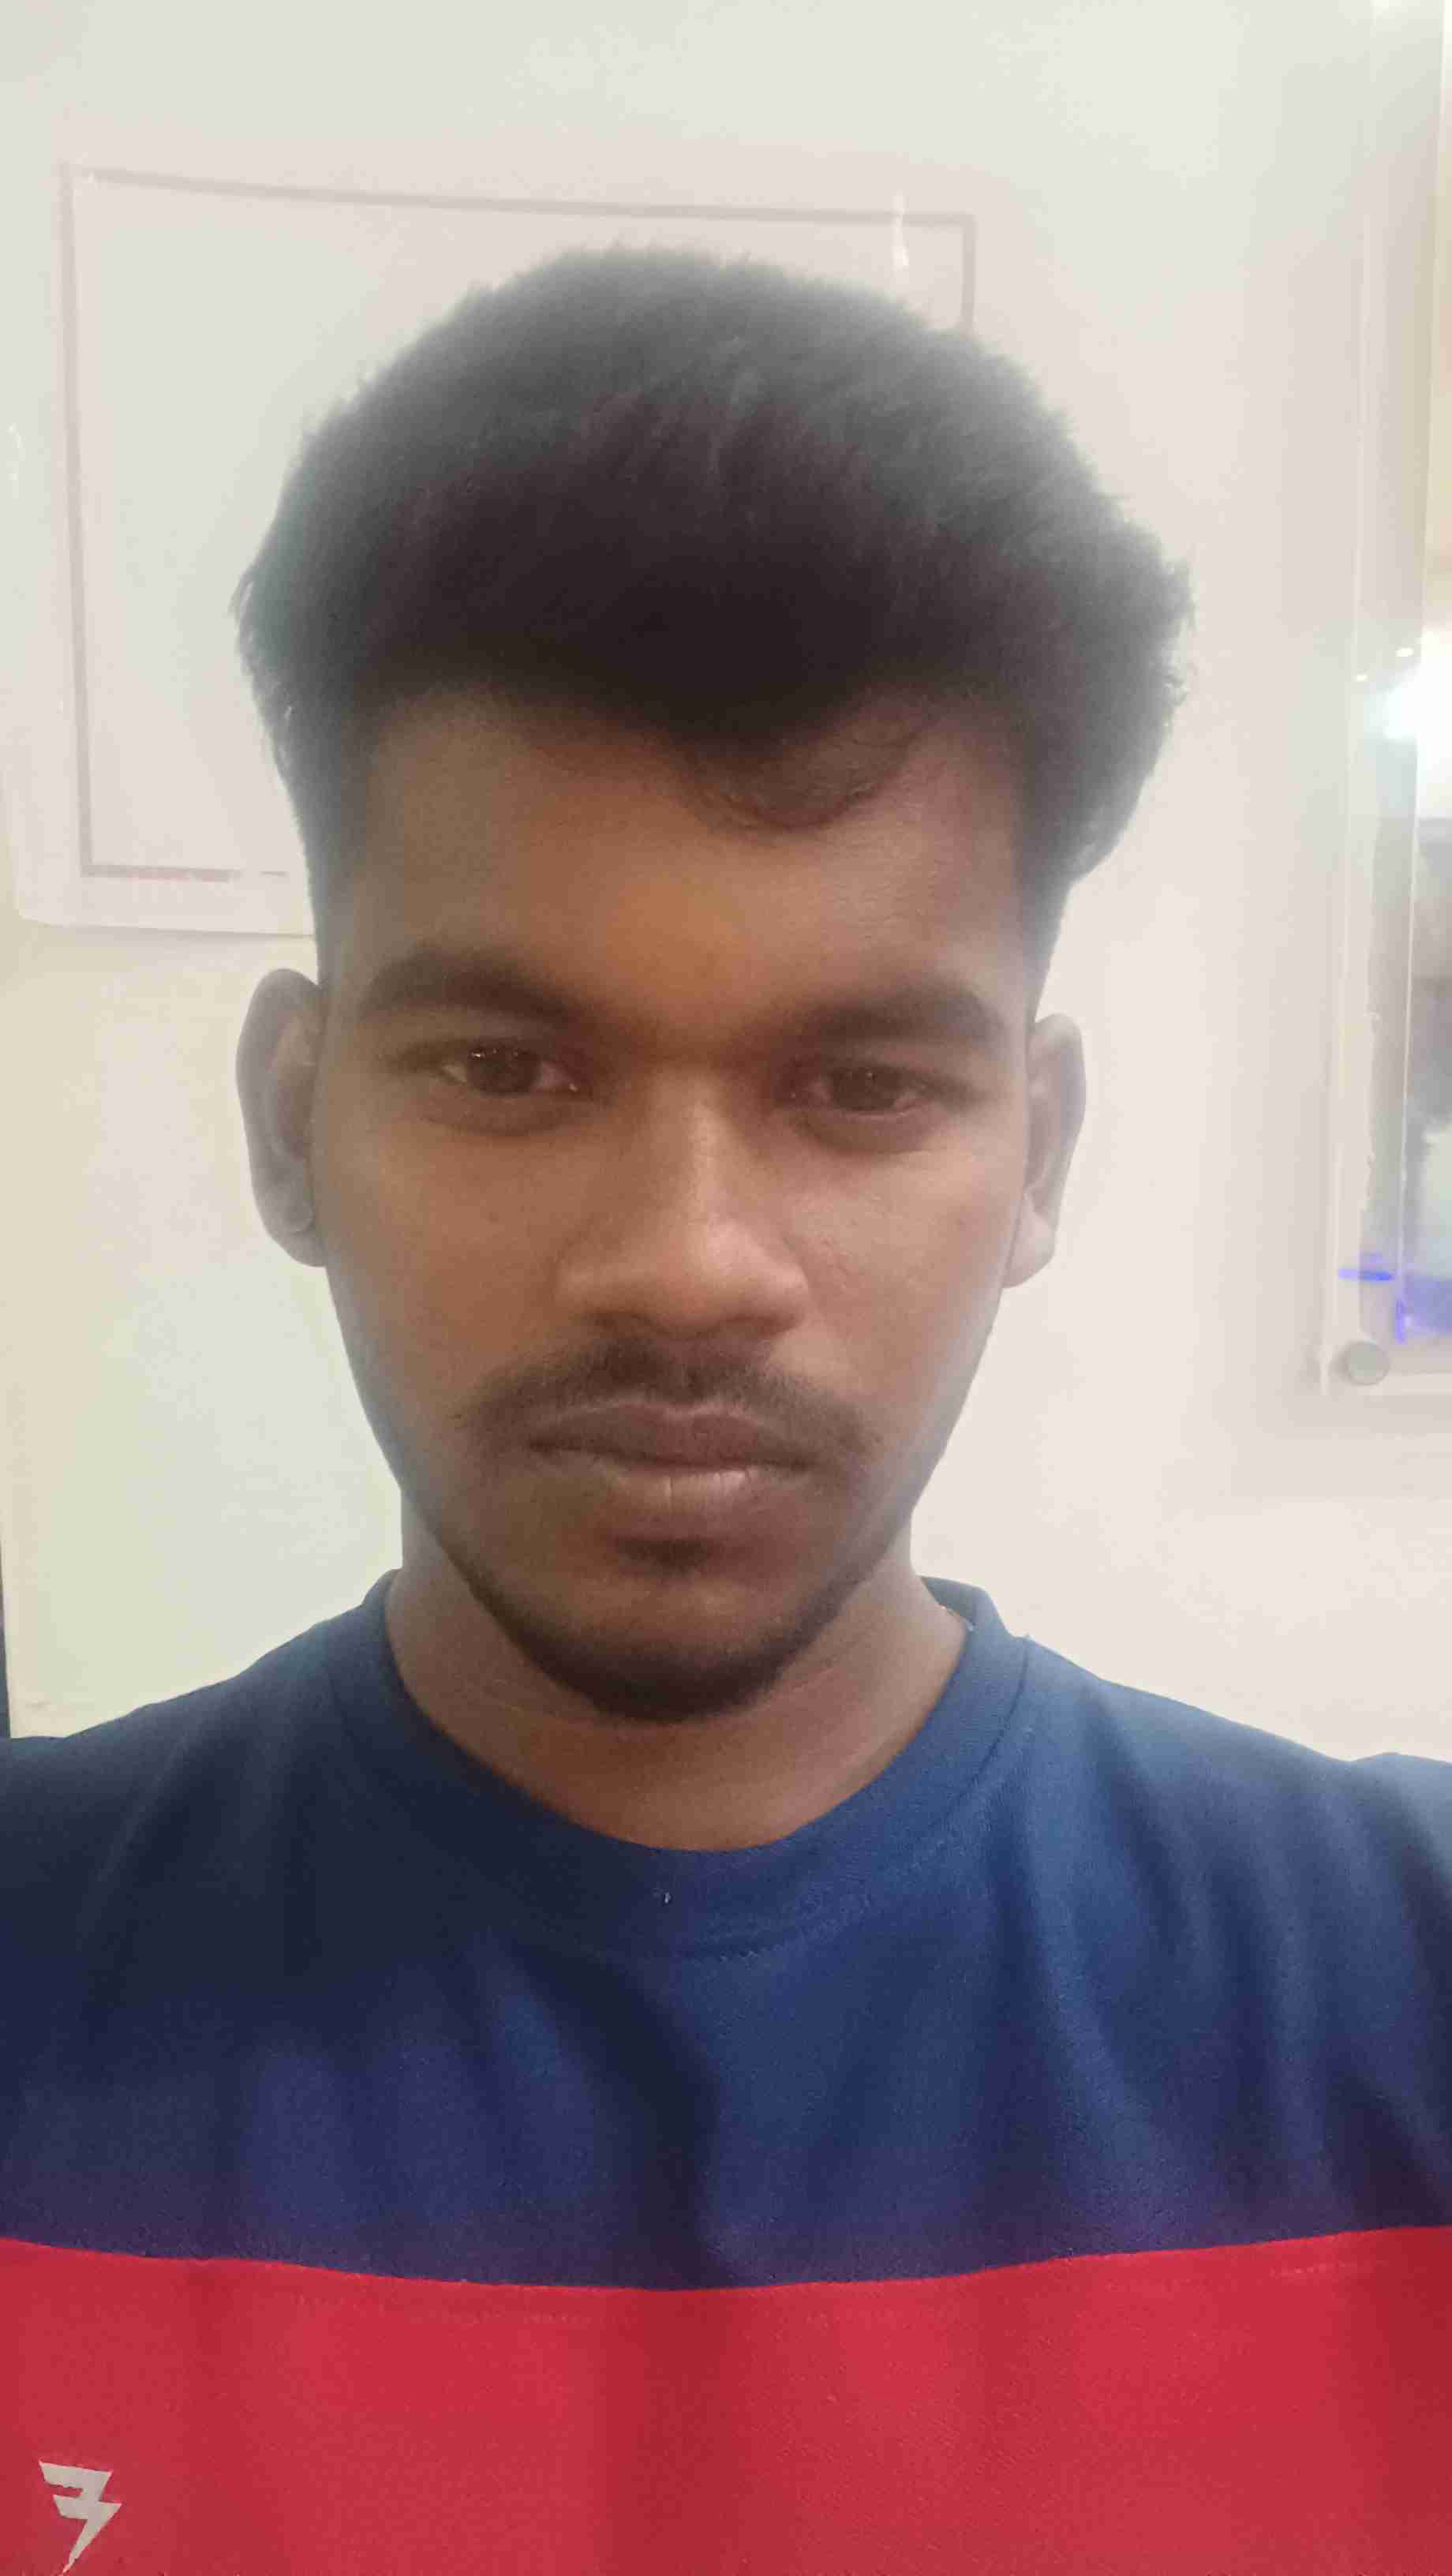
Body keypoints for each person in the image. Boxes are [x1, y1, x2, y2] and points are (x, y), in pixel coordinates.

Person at [2, 245, 1448, 2575]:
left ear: (1040, 1158)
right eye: (509, 1067)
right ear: (290, 1123)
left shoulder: (1407, 2000)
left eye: (860, 1087)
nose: (686, 1261)